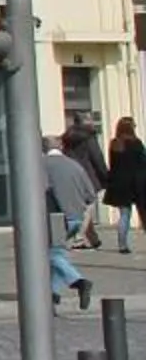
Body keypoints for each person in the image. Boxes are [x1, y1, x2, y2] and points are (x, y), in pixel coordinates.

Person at [46, 137, 99, 311]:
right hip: (75, 217)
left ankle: (80, 282)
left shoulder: (40, 164)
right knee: (59, 253)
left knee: (51, 255)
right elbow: (90, 195)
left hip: (54, 217)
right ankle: (51, 295)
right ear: (60, 146)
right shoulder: (75, 165)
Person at [70, 123, 114, 248]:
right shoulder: (89, 139)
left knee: (82, 207)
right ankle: (79, 238)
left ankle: (92, 238)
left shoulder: (68, 138)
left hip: (73, 175)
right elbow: (97, 158)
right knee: (88, 208)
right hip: (88, 177)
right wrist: (105, 176)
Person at [108, 119, 146, 256]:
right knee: (143, 213)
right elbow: (143, 162)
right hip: (138, 182)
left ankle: (122, 245)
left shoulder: (114, 143)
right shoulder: (136, 143)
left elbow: (112, 164)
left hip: (120, 183)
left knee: (124, 215)